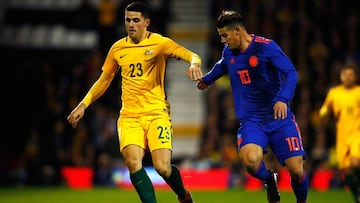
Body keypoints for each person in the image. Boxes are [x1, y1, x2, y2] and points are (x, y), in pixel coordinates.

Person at [67, 2, 203, 203]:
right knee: (133, 162)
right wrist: (83, 104)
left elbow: (191, 54)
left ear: (146, 22)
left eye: (135, 20)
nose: (130, 24)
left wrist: (194, 64)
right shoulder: (118, 48)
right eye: (127, 20)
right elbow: (104, 80)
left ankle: (183, 195)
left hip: (157, 113)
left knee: (163, 167)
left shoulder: (159, 43)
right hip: (129, 117)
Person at [196, 10, 308, 203]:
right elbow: (222, 65)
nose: (223, 41)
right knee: (250, 161)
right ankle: (269, 180)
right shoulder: (229, 51)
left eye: (225, 35)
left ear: (238, 31)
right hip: (252, 122)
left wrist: (282, 98)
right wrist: (207, 79)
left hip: (279, 119)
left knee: (296, 171)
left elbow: (291, 73)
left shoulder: (266, 47)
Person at [319, 64, 360, 203]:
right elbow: (323, 111)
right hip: (342, 136)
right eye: (345, 74)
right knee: (347, 172)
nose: (348, 77)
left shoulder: (359, 92)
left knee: (356, 162)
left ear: (355, 77)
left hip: (357, 134)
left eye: (351, 74)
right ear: (341, 77)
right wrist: (325, 111)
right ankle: (356, 196)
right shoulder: (334, 93)